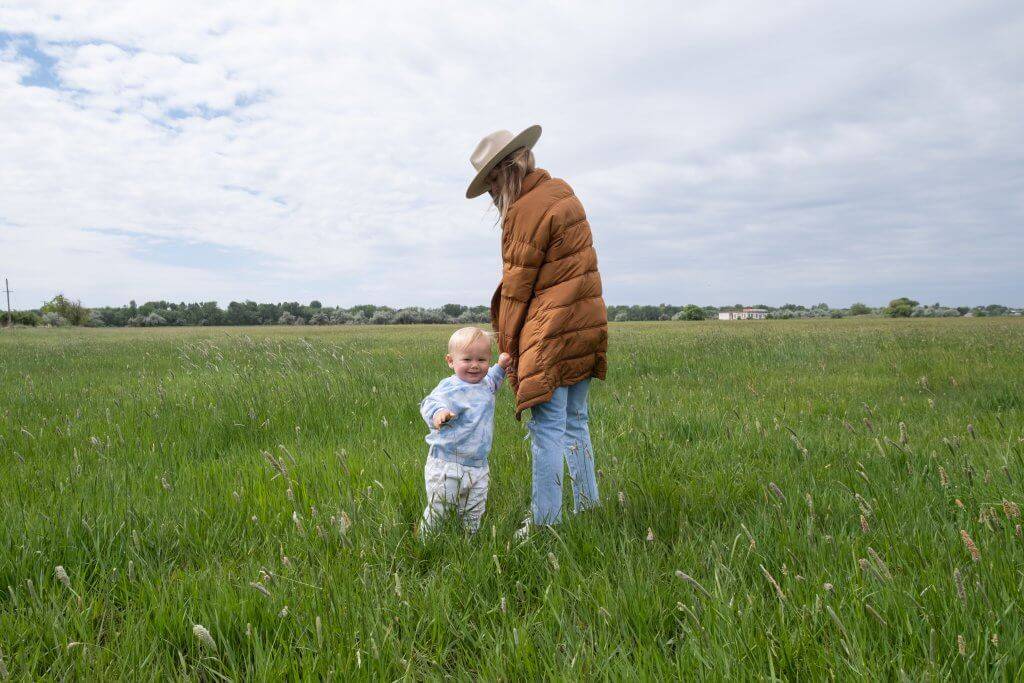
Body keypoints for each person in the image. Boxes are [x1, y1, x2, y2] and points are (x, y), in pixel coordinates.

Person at [465, 125, 608, 535]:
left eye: (492, 184)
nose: (492, 195)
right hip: (586, 322)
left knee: (546, 429)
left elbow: (517, 288)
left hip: (551, 330)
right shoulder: (563, 191)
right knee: (576, 421)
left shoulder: (523, 211)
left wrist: (508, 350)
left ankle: (546, 523)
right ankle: (588, 506)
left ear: (506, 171)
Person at [419, 326, 511, 535]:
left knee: (474, 511)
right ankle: (425, 542)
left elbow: (494, 379)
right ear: (451, 361)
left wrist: (502, 366)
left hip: (478, 465)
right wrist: (439, 413)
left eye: (481, 360)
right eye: (467, 360)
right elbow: (430, 402)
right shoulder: (450, 387)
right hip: (448, 463)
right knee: (439, 509)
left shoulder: (486, 383)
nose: (474, 366)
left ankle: (469, 543)